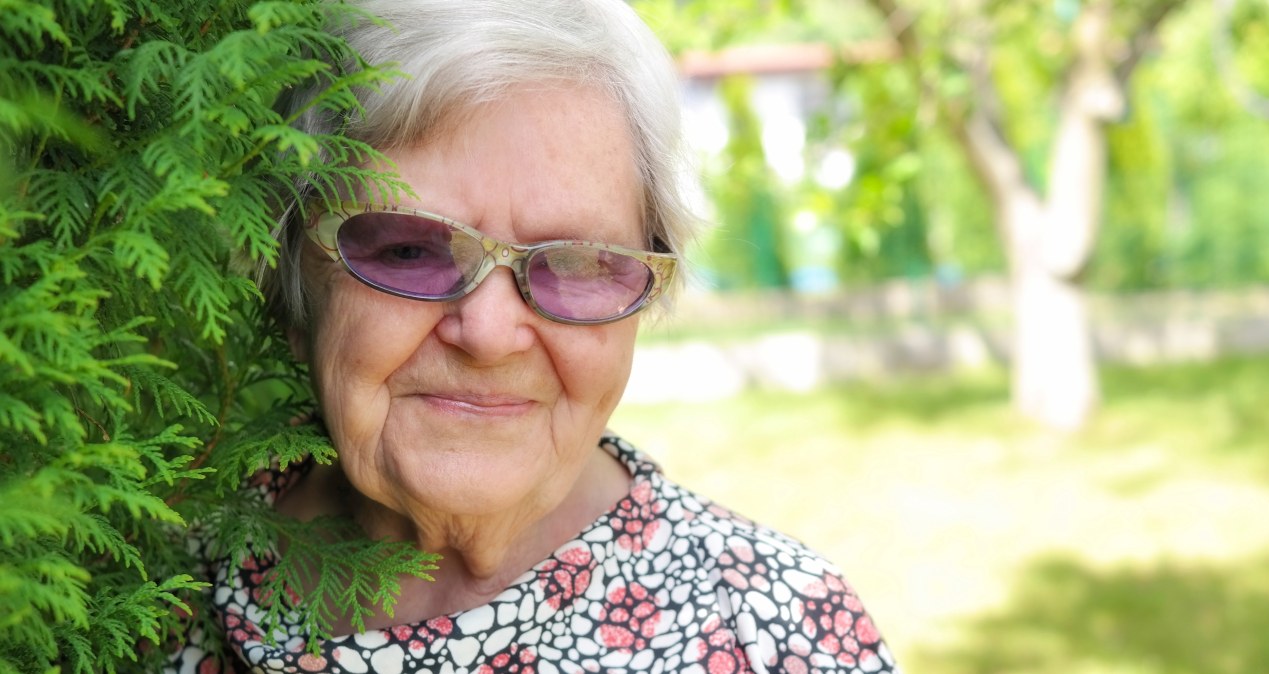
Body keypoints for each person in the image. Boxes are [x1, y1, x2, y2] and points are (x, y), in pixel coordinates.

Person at [171, 0, 899, 671]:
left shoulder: (781, 635)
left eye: (576, 263)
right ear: (296, 281)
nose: (488, 334)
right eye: (405, 250)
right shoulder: (155, 597)